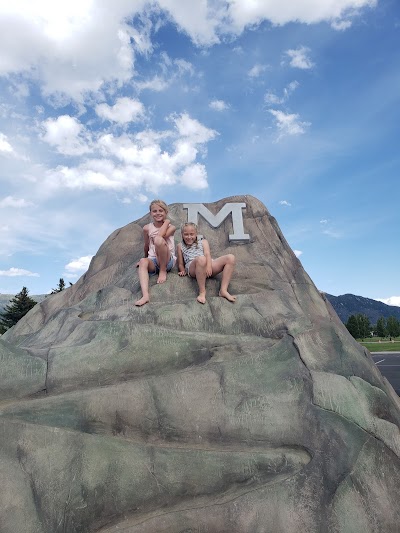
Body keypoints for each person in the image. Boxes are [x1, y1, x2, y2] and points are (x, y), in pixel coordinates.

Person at [177, 222, 236, 304]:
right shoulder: (180, 246)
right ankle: (202, 292)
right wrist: (182, 270)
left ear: (196, 234)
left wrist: (208, 266)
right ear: (182, 234)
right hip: (193, 267)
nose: (189, 237)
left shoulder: (203, 242)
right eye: (186, 234)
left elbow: (207, 254)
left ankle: (223, 290)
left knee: (230, 257)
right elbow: (180, 263)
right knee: (201, 259)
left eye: (192, 234)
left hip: (208, 264)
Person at [135, 199, 176, 307]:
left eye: (161, 211)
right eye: (154, 211)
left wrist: (166, 222)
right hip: (153, 260)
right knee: (143, 262)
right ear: (150, 213)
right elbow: (146, 245)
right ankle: (145, 296)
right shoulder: (147, 228)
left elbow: (160, 237)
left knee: (158, 241)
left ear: (166, 212)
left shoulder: (171, 227)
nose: (158, 213)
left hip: (167, 260)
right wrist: (144, 260)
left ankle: (163, 271)